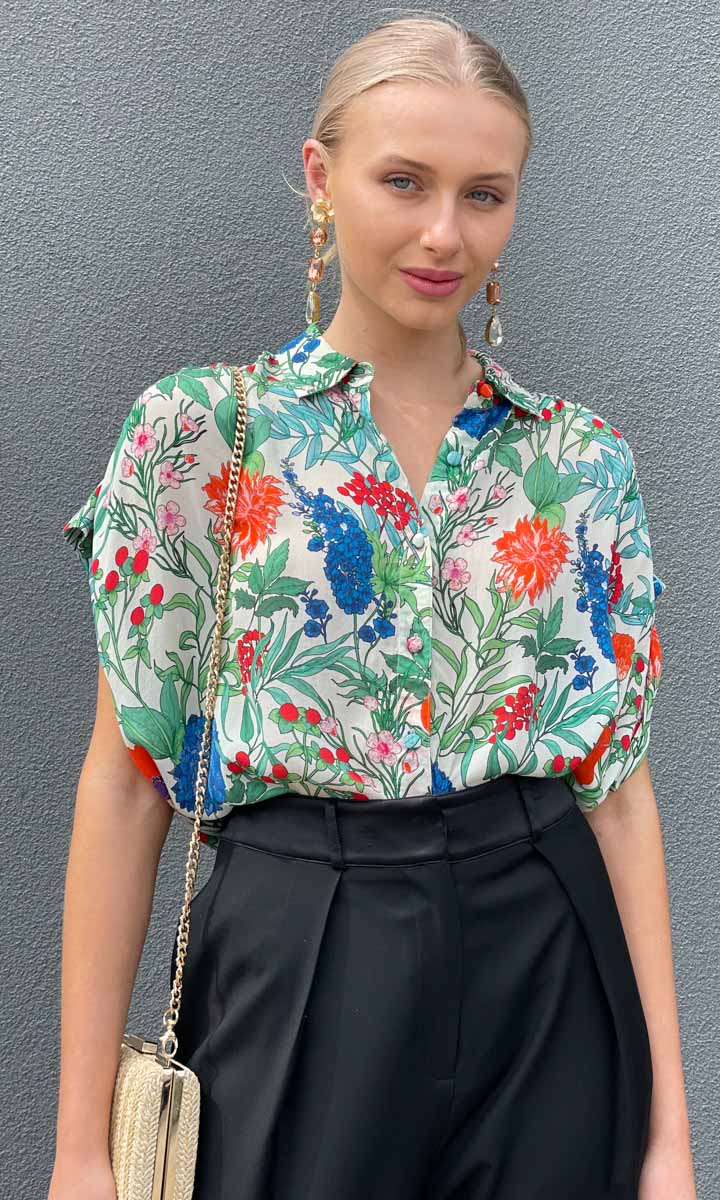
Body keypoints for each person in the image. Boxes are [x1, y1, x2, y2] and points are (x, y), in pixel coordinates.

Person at [50, 13, 696, 1200]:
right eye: (404, 181)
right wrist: (81, 1150)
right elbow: (126, 783)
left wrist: (671, 1140)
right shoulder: (201, 434)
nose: (446, 233)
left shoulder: (578, 460)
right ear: (321, 176)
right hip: (299, 944)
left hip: (548, 957)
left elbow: (618, 793)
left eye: (485, 194)